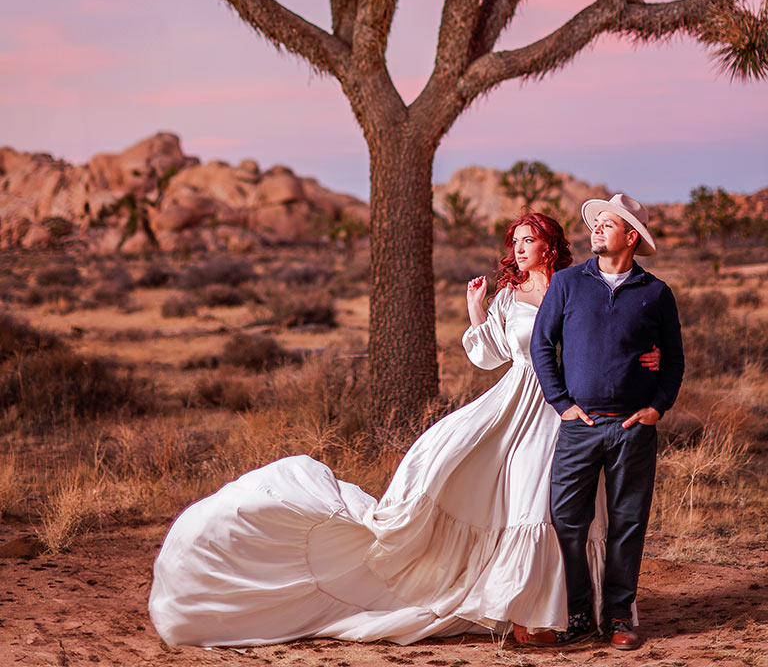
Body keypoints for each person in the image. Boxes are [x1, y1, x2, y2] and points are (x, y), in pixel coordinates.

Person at [149, 212, 659, 648]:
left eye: (529, 240)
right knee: (518, 497)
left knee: (562, 510)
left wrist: (645, 359)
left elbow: (607, 335)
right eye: (515, 242)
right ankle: (527, 613)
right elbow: (491, 356)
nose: (520, 249)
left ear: (550, 244)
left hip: (568, 408)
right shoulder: (509, 295)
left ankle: (577, 611)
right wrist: (476, 310)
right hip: (517, 400)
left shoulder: (576, 286)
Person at [530, 193, 684, 651]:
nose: (596, 228)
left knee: (628, 523)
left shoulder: (656, 293)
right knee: (567, 521)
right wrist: (561, 403)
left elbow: (673, 360)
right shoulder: (568, 284)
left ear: (631, 236)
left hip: (633, 429)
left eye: (607, 224)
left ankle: (618, 617)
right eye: (594, 223)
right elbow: (542, 345)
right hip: (580, 427)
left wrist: (659, 406)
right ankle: (578, 614)